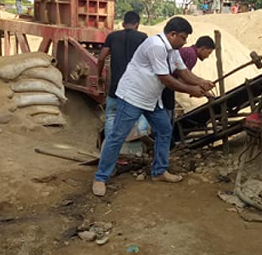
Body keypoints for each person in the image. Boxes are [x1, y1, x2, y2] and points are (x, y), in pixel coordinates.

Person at [92, 17, 215, 197]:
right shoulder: (155, 46)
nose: (185, 42)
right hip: (133, 97)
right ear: (172, 34)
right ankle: (100, 178)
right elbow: (165, 78)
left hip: (151, 99)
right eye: (183, 37)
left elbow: (183, 72)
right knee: (117, 136)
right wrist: (192, 90)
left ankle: (159, 171)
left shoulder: (172, 50)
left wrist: (202, 83)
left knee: (165, 130)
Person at [96, 11, 148, 138]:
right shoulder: (143, 37)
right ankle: (138, 141)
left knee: (111, 116)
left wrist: (99, 76)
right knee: (141, 114)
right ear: (137, 24)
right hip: (136, 88)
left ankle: (109, 146)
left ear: (123, 24)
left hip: (116, 86)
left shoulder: (112, 36)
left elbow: (101, 57)